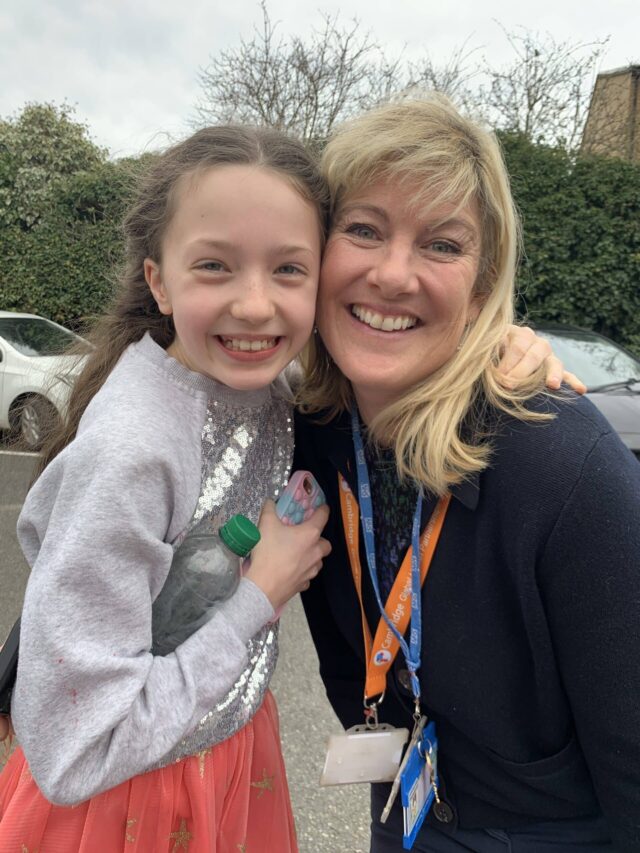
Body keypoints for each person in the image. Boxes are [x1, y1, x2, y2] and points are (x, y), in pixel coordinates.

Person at [294, 95, 640, 852]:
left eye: (442, 246)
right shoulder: (307, 431)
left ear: (482, 287)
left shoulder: (567, 466)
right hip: (407, 810)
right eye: (363, 229)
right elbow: (145, 515)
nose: (392, 274)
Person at [0, 125, 333, 852]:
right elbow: (74, 748)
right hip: (134, 802)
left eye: (288, 270)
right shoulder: (134, 450)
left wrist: (490, 344)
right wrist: (260, 595)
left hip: (231, 754)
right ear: (159, 279)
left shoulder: (265, 382)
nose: (254, 305)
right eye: (215, 265)